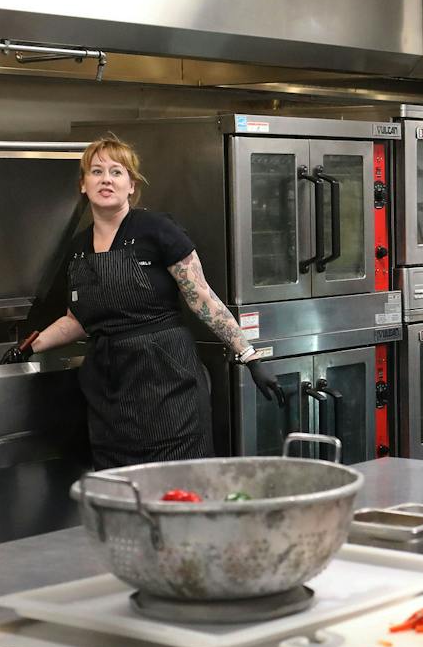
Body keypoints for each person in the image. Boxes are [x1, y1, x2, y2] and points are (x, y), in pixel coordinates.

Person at [25, 134, 281, 469]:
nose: (106, 179)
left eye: (117, 172)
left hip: (168, 381)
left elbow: (201, 297)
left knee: (180, 485)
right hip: (110, 393)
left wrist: (249, 356)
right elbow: (78, 319)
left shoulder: (157, 230)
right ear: (83, 185)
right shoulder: (77, 247)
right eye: (97, 171)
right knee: (123, 490)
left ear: (131, 185)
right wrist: (30, 346)